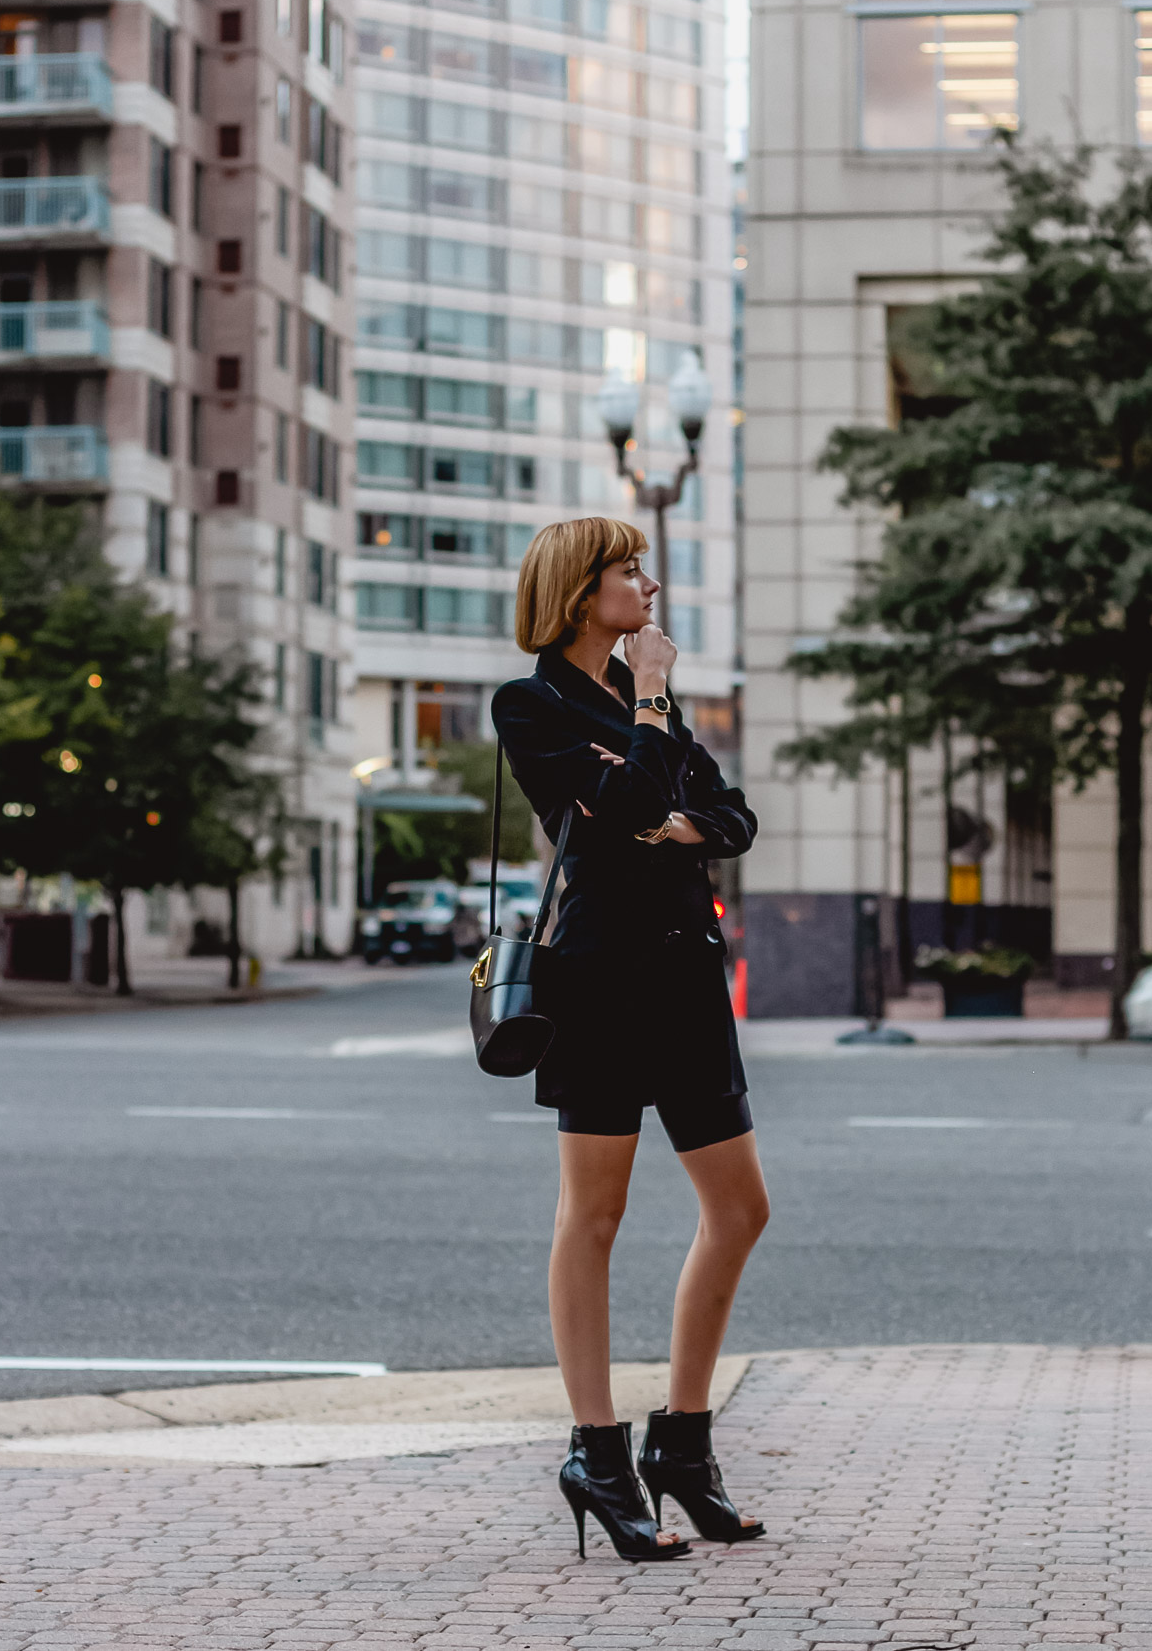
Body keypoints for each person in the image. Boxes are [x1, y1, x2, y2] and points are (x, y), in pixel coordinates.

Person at [491, 515, 770, 1564]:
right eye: (625, 571)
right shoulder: (532, 702)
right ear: (579, 589)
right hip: (600, 983)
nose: (646, 587)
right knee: (594, 1215)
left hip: (689, 981)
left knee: (741, 1208)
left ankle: (683, 1447)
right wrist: (650, 728)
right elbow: (624, 797)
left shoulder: (638, 707)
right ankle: (597, 1455)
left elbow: (730, 818)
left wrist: (668, 805)